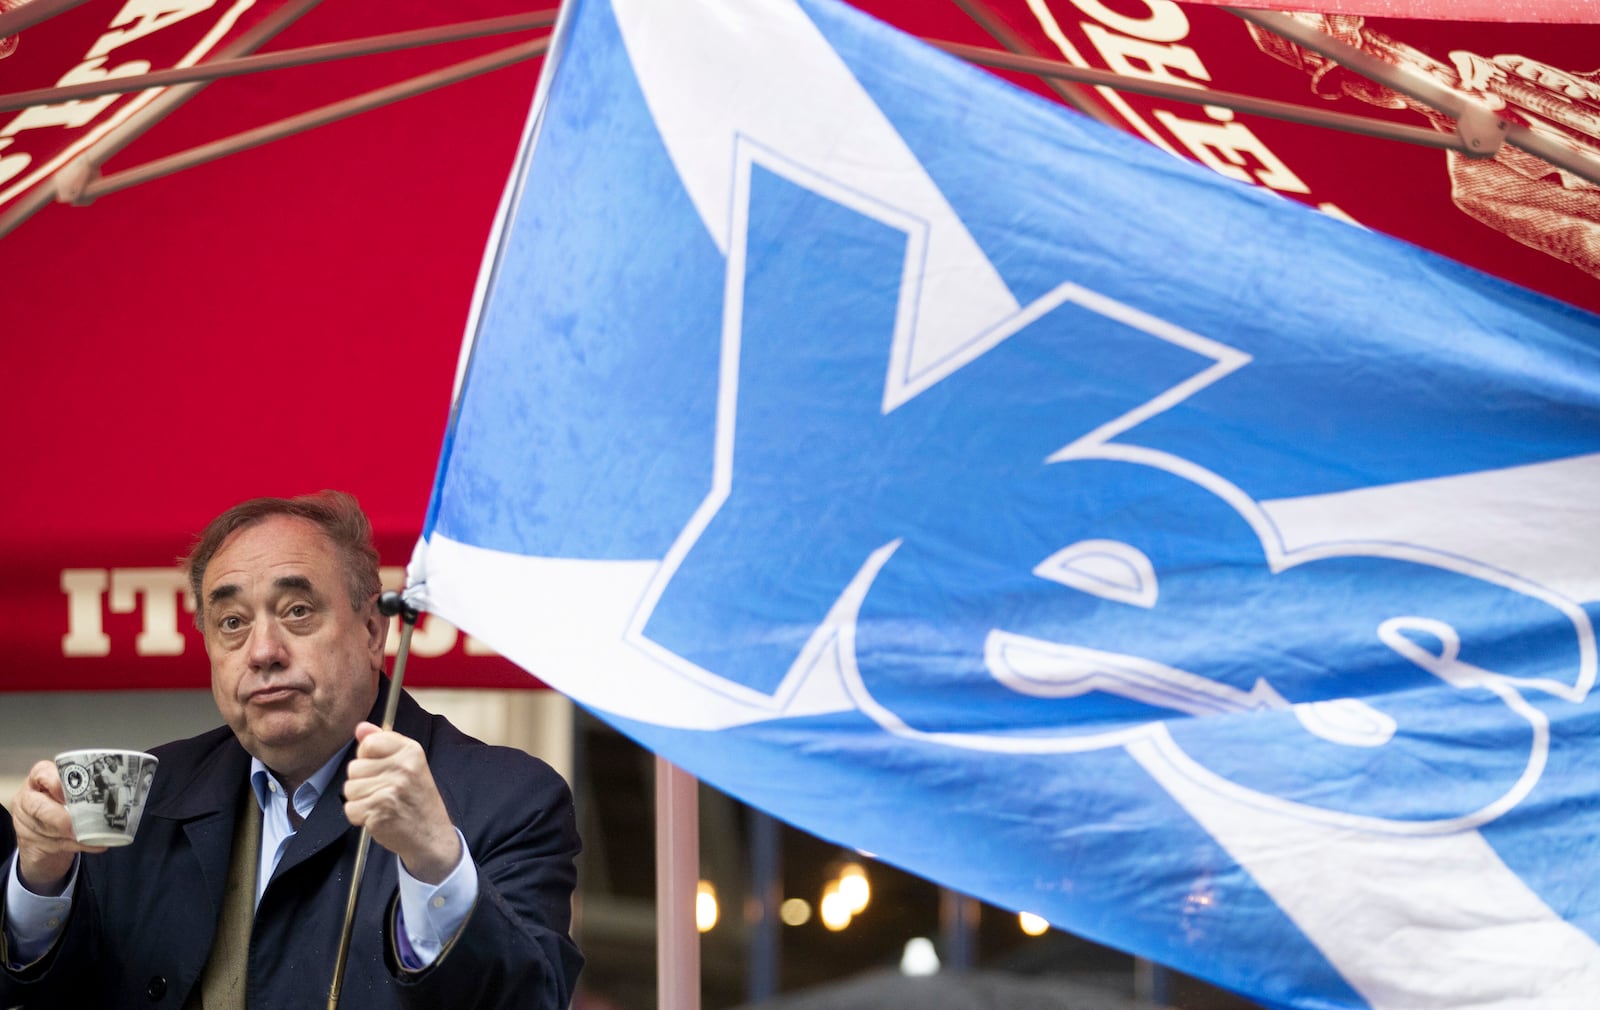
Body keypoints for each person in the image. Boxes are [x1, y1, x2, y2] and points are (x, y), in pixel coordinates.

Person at [0, 491, 583, 1008]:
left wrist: (435, 862)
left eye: (297, 612)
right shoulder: (147, 795)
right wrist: (42, 877)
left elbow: (532, 997)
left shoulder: (507, 799)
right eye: (231, 622)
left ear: (372, 631)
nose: (263, 651)